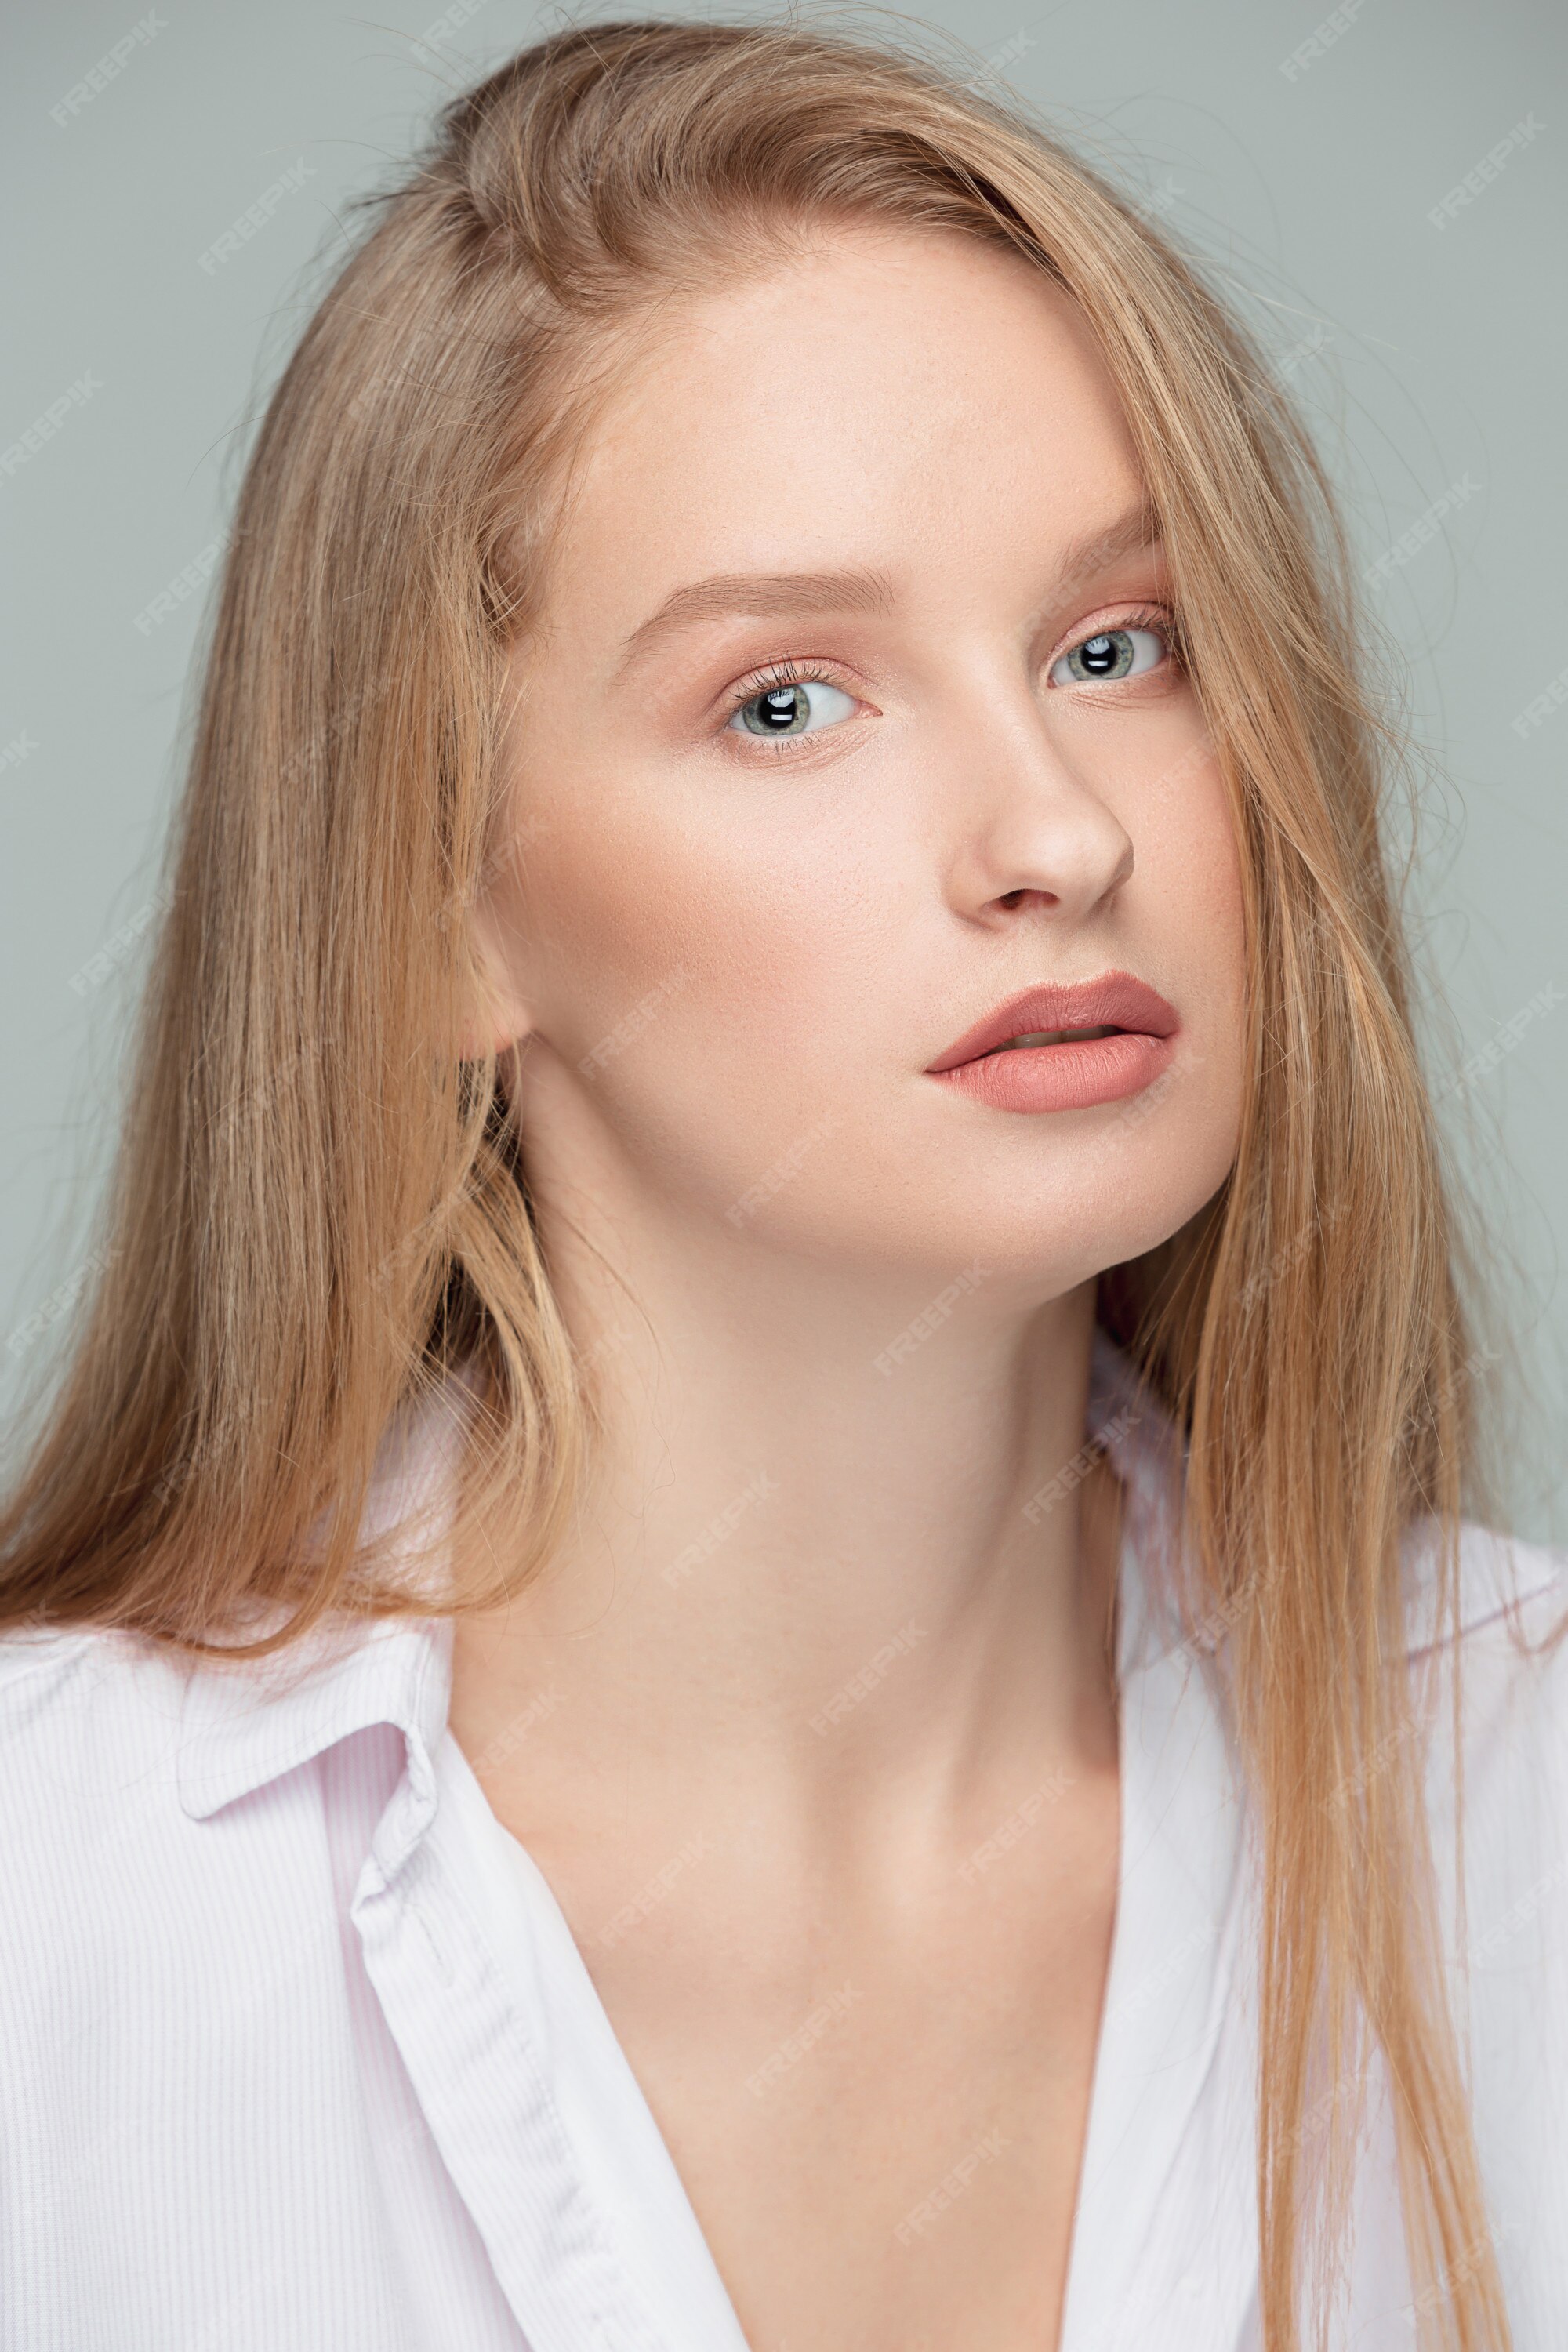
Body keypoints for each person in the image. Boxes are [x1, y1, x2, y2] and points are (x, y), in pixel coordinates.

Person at [1, 19, 1563, 2352]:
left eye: (1117, 646)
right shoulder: (63, 1923)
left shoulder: (1516, 1800)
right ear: (433, 902)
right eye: (787, 703)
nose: (1061, 834)